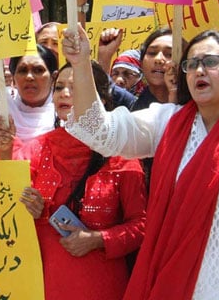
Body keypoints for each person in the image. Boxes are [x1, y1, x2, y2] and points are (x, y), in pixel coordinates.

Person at [61, 26, 219, 299]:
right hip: (172, 288)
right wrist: (81, 64)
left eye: (210, 62)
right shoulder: (166, 122)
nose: (199, 70)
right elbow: (98, 131)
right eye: (191, 64)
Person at [18, 61, 146, 300]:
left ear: (101, 99)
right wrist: (27, 210)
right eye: (59, 88)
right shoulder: (33, 150)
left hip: (102, 286)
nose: (64, 94)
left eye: (75, 87)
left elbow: (141, 225)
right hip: (43, 285)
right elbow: (7, 216)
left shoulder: (121, 154)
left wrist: (98, 240)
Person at [8, 44, 58, 142]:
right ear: (13, 79)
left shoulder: (65, 114)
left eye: (38, 70)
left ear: (54, 77)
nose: (29, 77)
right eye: (23, 70)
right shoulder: (1, 110)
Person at [132, 27, 173, 111]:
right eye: (152, 53)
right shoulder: (134, 109)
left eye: (169, 54)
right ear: (141, 63)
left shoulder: (197, 106)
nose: (158, 59)